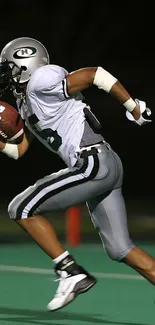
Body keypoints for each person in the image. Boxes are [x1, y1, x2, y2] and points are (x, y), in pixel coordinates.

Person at [0, 37, 154, 312]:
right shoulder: (28, 101)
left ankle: (70, 271)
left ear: (24, 65)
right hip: (104, 163)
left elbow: (95, 74)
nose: (5, 74)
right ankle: (72, 271)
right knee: (120, 249)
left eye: (9, 67)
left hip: (92, 162)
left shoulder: (41, 80)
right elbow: (18, 150)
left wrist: (134, 107)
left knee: (21, 208)